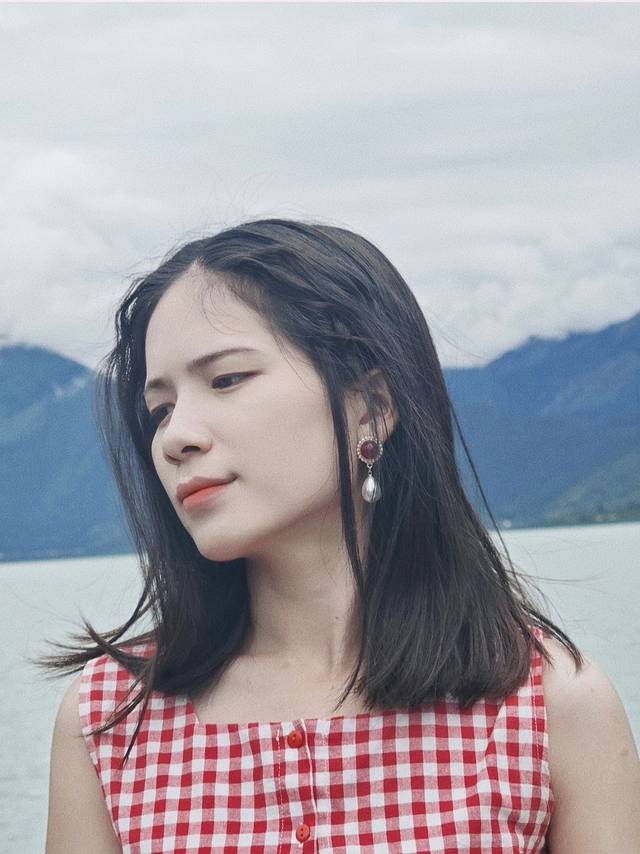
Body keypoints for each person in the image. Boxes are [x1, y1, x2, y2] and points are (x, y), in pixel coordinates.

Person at [41, 219, 640, 853]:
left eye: (226, 380)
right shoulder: (109, 721)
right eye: (159, 410)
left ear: (372, 407)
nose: (176, 437)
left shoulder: (548, 708)